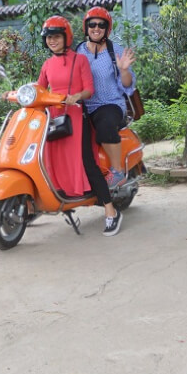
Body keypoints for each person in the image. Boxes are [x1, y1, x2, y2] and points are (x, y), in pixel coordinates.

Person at [37, 15, 123, 236]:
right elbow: (40, 89)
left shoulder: (80, 60)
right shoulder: (47, 65)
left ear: (66, 37)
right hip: (54, 118)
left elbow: (89, 90)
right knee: (48, 159)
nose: (52, 41)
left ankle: (111, 211)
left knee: (87, 162)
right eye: (48, 38)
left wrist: (76, 96)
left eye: (56, 37)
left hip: (76, 116)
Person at [76, 6, 136, 189]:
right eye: (92, 24)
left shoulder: (115, 51)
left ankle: (117, 171)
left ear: (107, 29)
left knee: (104, 124)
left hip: (110, 103)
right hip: (84, 104)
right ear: (86, 27)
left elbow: (127, 85)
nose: (96, 28)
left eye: (101, 25)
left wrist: (124, 70)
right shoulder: (78, 50)